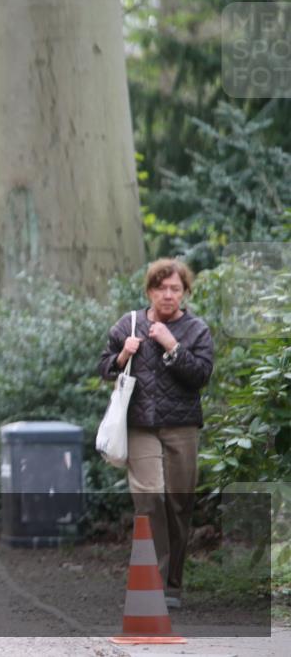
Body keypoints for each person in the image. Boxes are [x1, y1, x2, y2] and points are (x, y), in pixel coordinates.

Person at [98, 258, 213, 609]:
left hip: (182, 426)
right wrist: (121, 356)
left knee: (179, 503)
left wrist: (172, 347)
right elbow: (102, 367)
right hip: (140, 425)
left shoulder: (196, 330)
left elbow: (201, 376)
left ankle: (173, 586)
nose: (167, 295)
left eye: (175, 289)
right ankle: (154, 583)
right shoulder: (128, 324)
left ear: (184, 292)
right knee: (149, 499)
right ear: (149, 291)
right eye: (161, 288)